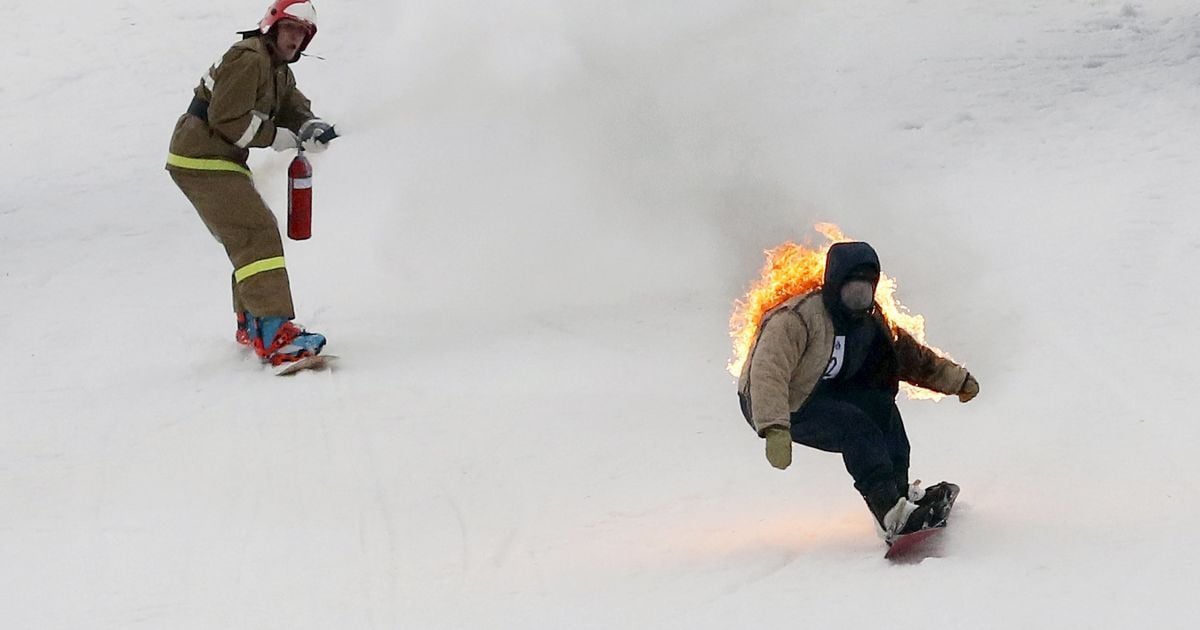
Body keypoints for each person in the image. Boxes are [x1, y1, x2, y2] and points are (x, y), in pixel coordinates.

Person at [737, 241, 980, 538]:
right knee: (855, 427)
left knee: (883, 411)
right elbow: (767, 372)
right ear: (835, 285)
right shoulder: (797, 318)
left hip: (828, 394)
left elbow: (909, 356)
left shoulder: (872, 320)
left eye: (865, 292)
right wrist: (774, 427)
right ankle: (890, 513)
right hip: (784, 402)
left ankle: (899, 499)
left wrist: (957, 381)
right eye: (852, 292)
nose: (859, 300)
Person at [165, 0, 337, 366]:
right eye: (290, 29)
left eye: (302, 34)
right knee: (257, 232)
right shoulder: (249, 57)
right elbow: (227, 119)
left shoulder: (277, 70)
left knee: (248, 236)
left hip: (218, 161)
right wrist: (276, 138)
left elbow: (293, 105)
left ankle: (254, 321)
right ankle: (273, 334)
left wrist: (309, 125)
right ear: (272, 27)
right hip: (200, 158)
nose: (295, 39)